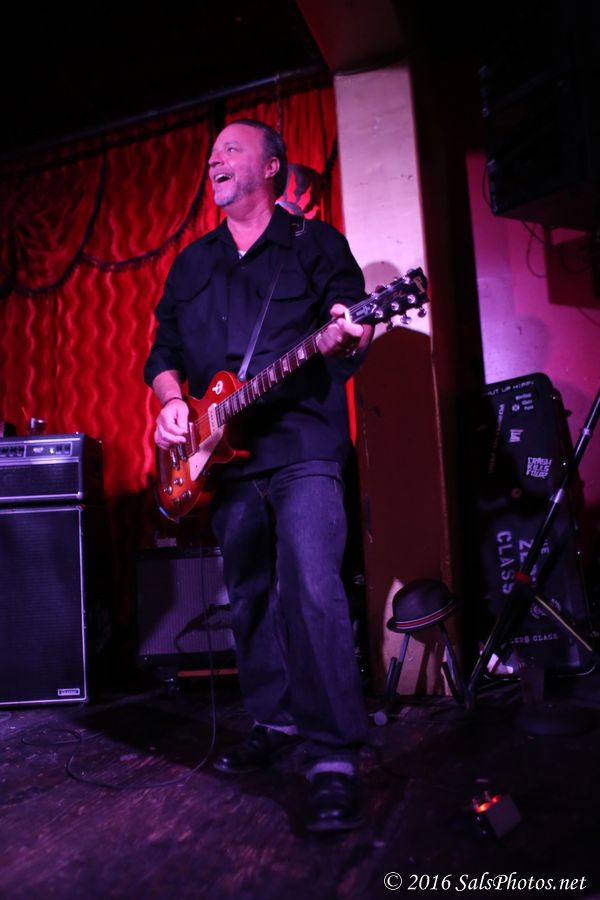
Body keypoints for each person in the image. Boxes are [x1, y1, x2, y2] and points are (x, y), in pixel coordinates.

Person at [144, 119, 373, 833]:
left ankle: (333, 757)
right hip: (224, 458)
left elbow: (351, 328)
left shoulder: (315, 243)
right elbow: (162, 353)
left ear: (272, 167)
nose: (214, 158)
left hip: (302, 444)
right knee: (248, 597)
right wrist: (172, 404)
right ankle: (273, 724)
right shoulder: (191, 263)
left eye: (231, 149)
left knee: (312, 587)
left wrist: (352, 331)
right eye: (212, 151)